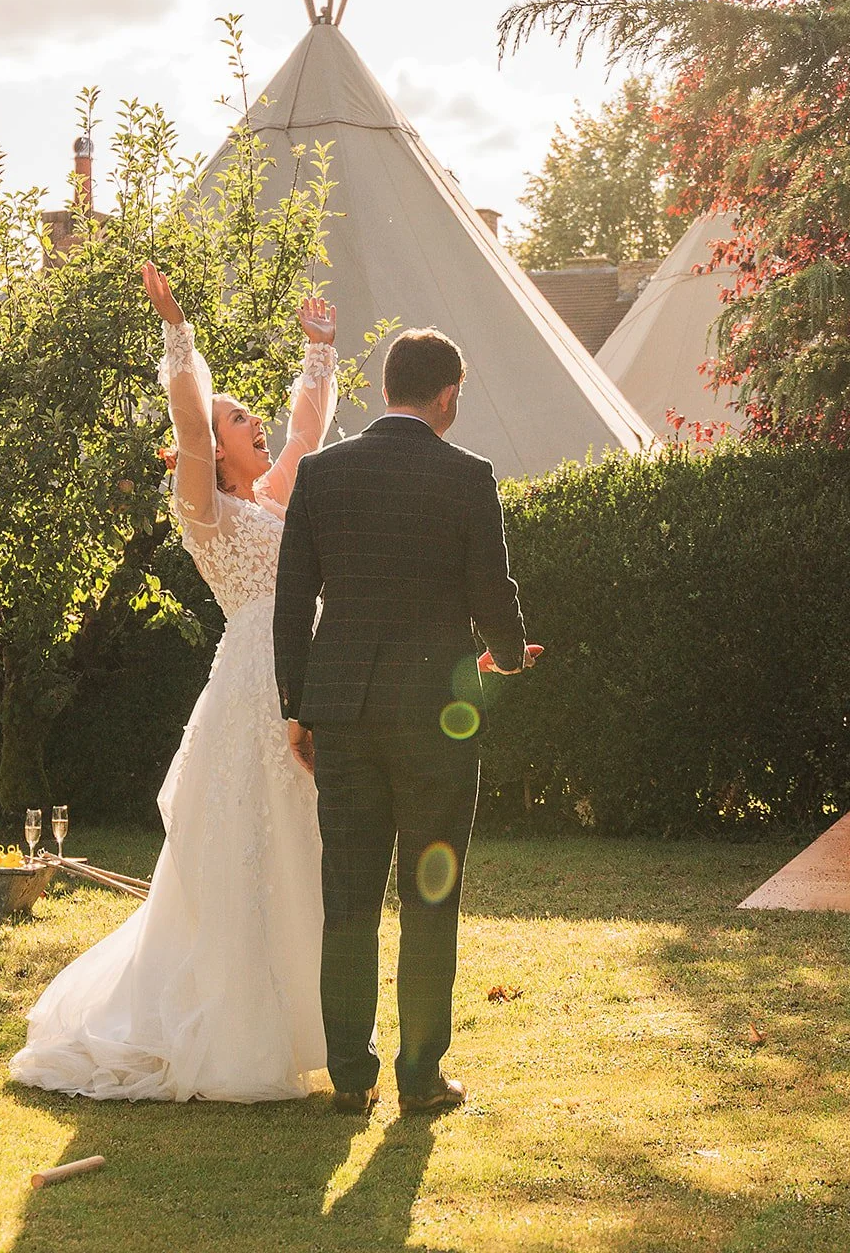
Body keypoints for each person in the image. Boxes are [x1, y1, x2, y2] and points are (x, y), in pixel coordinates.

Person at [9, 264, 337, 1102]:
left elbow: (306, 431)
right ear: (214, 444)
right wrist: (178, 335)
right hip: (251, 684)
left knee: (298, 839)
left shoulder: (271, 499)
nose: (251, 423)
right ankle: (228, 1027)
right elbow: (191, 423)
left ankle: (303, 1020)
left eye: (245, 415)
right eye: (237, 418)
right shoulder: (205, 507)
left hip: (300, 674)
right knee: (241, 844)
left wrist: (320, 352)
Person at [273, 327, 532, 1116]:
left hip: (343, 716)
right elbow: (493, 590)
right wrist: (512, 656)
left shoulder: (320, 474)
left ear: (387, 386)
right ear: (446, 394)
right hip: (434, 722)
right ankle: (420, 1077)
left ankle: (352, 1075)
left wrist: (297, 707)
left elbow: (290, 603)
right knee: (430, 895)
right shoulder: (467, 476)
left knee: (347, 897)